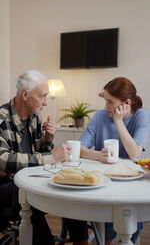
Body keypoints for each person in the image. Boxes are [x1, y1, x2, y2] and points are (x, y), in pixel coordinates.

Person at [0, 70, 88, 245]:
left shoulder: (35, 117)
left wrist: (48, 138)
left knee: (69, 186)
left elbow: (40, 150)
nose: (46, 102)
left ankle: (81, 242)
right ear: (25, 94)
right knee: (28, 196)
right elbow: (3, 161)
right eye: (42, 96)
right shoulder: (2, 118)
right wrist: (50, 158)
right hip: (4, 184)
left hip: (29, 177)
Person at [79, 76, 150, 245]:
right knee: (109, 221)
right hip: (105, 182)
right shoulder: (100, 116)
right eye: (105, 101)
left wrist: (118, 122)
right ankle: (106, 239)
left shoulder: (142, 115)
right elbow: (79, 148)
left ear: (126, 103)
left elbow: (134, 154)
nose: (106, 107)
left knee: (131, 215)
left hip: (132, 184)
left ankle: (122, 239)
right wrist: (98, 156)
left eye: (110, 102)